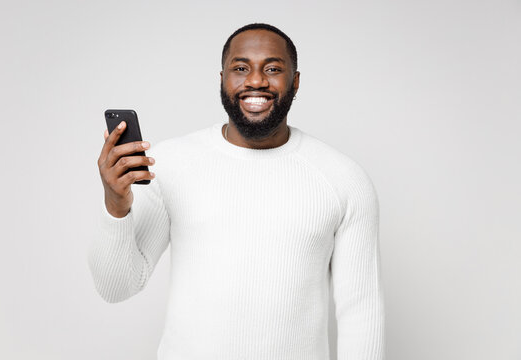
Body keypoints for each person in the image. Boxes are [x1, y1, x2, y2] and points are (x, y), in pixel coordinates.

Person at [90, 23, 385, 360]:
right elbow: (116, 287)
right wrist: (115, 206)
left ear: (296, 82)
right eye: (241, 68)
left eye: (273, 69)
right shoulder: (169, 164)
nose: (256, 80)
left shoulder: (343, 178)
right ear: (221, 79)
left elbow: (360, 311)